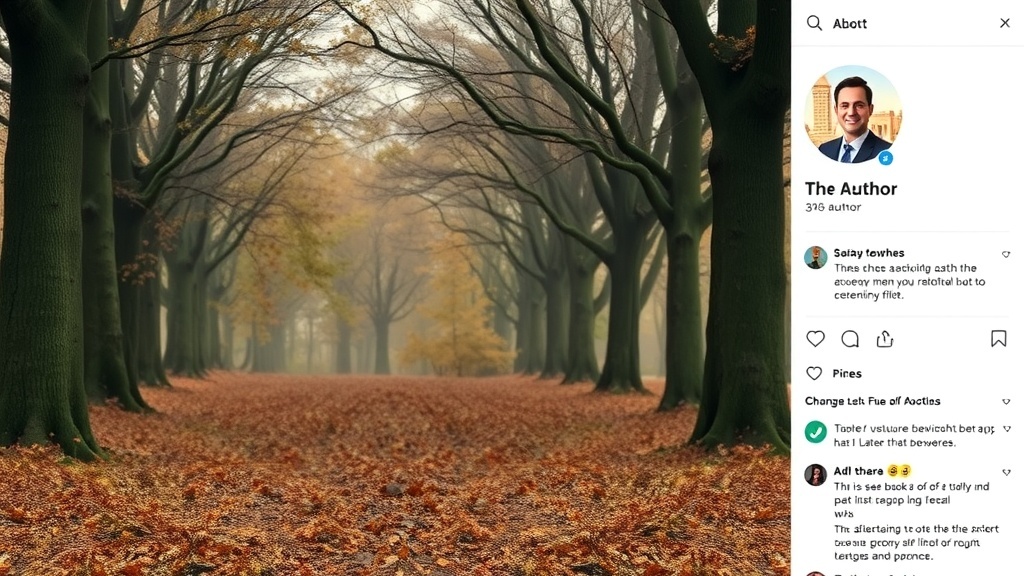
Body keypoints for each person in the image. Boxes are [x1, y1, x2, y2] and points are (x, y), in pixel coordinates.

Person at [818, 76, 892, 163]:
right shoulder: (824, 150)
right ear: (836, 110)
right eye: (845, 106)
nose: (851, 112)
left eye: (859, 105)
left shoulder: (887, 152)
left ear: (870, 109)